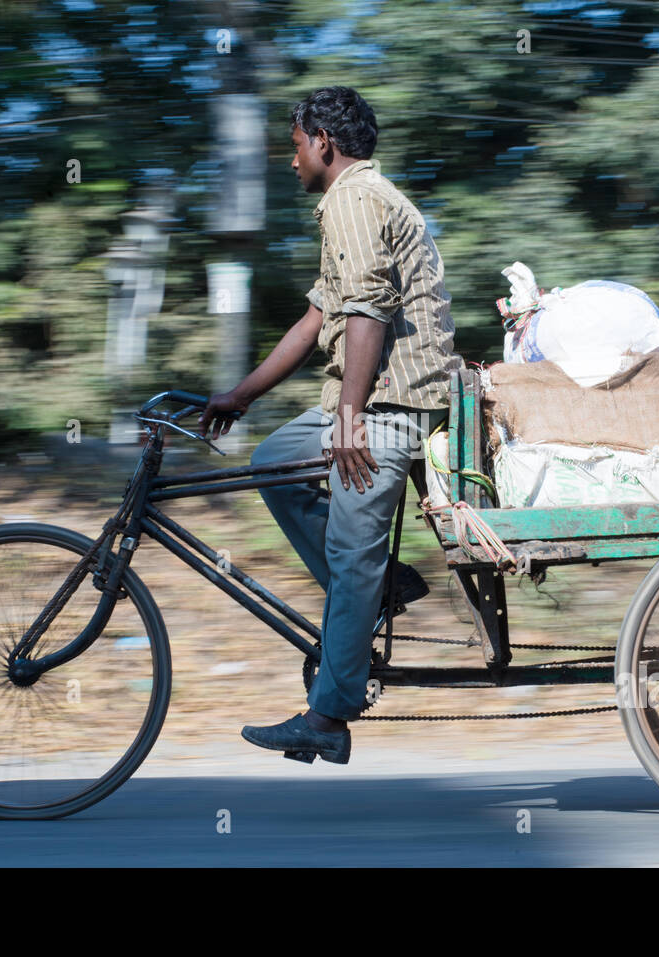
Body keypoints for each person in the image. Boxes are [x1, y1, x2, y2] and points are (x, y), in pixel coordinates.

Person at [198, 86, 465, 764]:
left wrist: (349, 419)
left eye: (294, 146)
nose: (291, 161)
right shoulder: (353, 203)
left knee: (350, 556)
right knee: (274, 459)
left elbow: (370, 312)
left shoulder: (354, 198)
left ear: (324, 142)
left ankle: (329, 714)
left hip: (390, 406)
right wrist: (242, 394)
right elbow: (320, 316)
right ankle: (379, 588)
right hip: (367, 402)